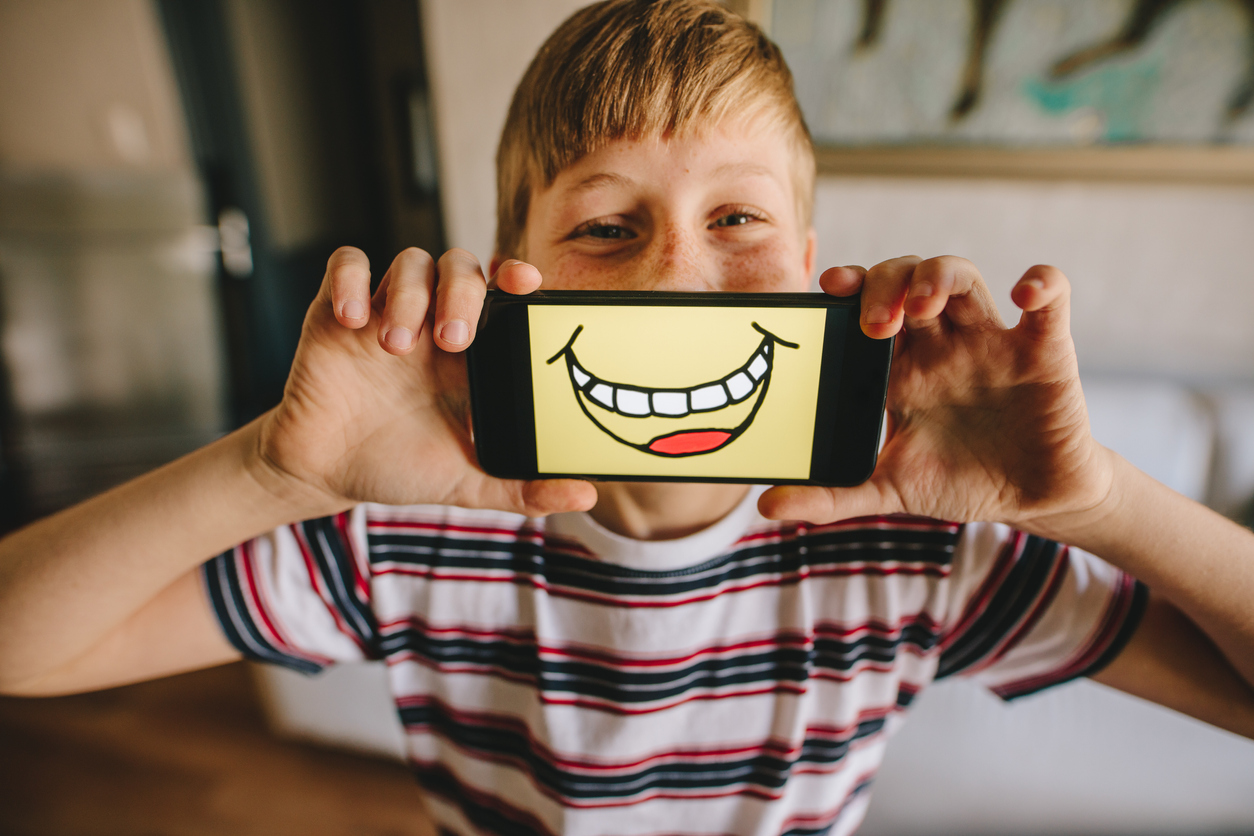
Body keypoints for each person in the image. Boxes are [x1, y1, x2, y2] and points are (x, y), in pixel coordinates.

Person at [1, 1, 1252, 833]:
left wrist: (1095, 503)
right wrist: (276, 471)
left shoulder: (916, 547)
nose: (674, 271)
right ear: (508, 270)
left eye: (738, 219)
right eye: (606, 225)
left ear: (815, 257)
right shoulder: (399, 532)